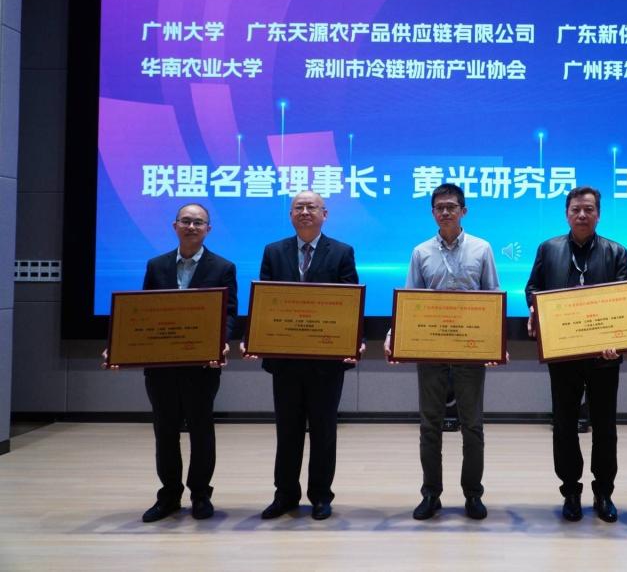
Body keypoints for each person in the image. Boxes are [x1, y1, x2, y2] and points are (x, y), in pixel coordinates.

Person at [105, 203, 237, 523]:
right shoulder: (156, 265)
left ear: (208, 229)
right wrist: (120, 347)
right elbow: (142, 312)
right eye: (186, 221)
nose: (192, 227)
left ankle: (201, 495)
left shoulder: (223, 267)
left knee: (201, 431)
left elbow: (229, 313)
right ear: (174, 226)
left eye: (198, 222)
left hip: (201, 366)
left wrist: (221, 341)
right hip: (162, 366)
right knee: (165, 432)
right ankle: (169, 495)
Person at [384, 183, 501, 521]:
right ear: (433, 213)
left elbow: (492, 296)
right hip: (431, 351)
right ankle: (430, 494)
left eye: (452, 206)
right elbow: (410, 300)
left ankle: (473, 495)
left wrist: (495, 343)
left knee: (472, 426)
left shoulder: (482, 248)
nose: (446, 212)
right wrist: (394, 335)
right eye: (440, 207)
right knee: (429, 426)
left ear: (464, 211)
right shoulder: (420, 252)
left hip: (470, 352)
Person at [250, 190, 362, 521]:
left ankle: (321, 496)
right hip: (285, 361)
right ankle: (285, 494)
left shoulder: (341, 252)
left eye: (311, 207)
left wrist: (349, 343)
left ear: (324, 214)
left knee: (324, 431)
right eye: (298, 207)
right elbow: (266, 301)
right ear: (290, 215)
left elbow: (349, 303)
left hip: (326, 362)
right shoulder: (274, 251)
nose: (304, 212)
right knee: (288, 431)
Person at [525, 186, 627, 523]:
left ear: (598, 214)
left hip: (605, 356)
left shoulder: (617, 252)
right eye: (576, 209)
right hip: (564, 353)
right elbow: (533, 288)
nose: (582, 215)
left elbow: (626, 300)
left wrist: (618, 338)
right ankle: (570, 491)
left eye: (588, 209)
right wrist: (535, 309)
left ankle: (604, 492)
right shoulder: (549, 248)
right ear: (567, 214)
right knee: (564, 425)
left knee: (605, 426)